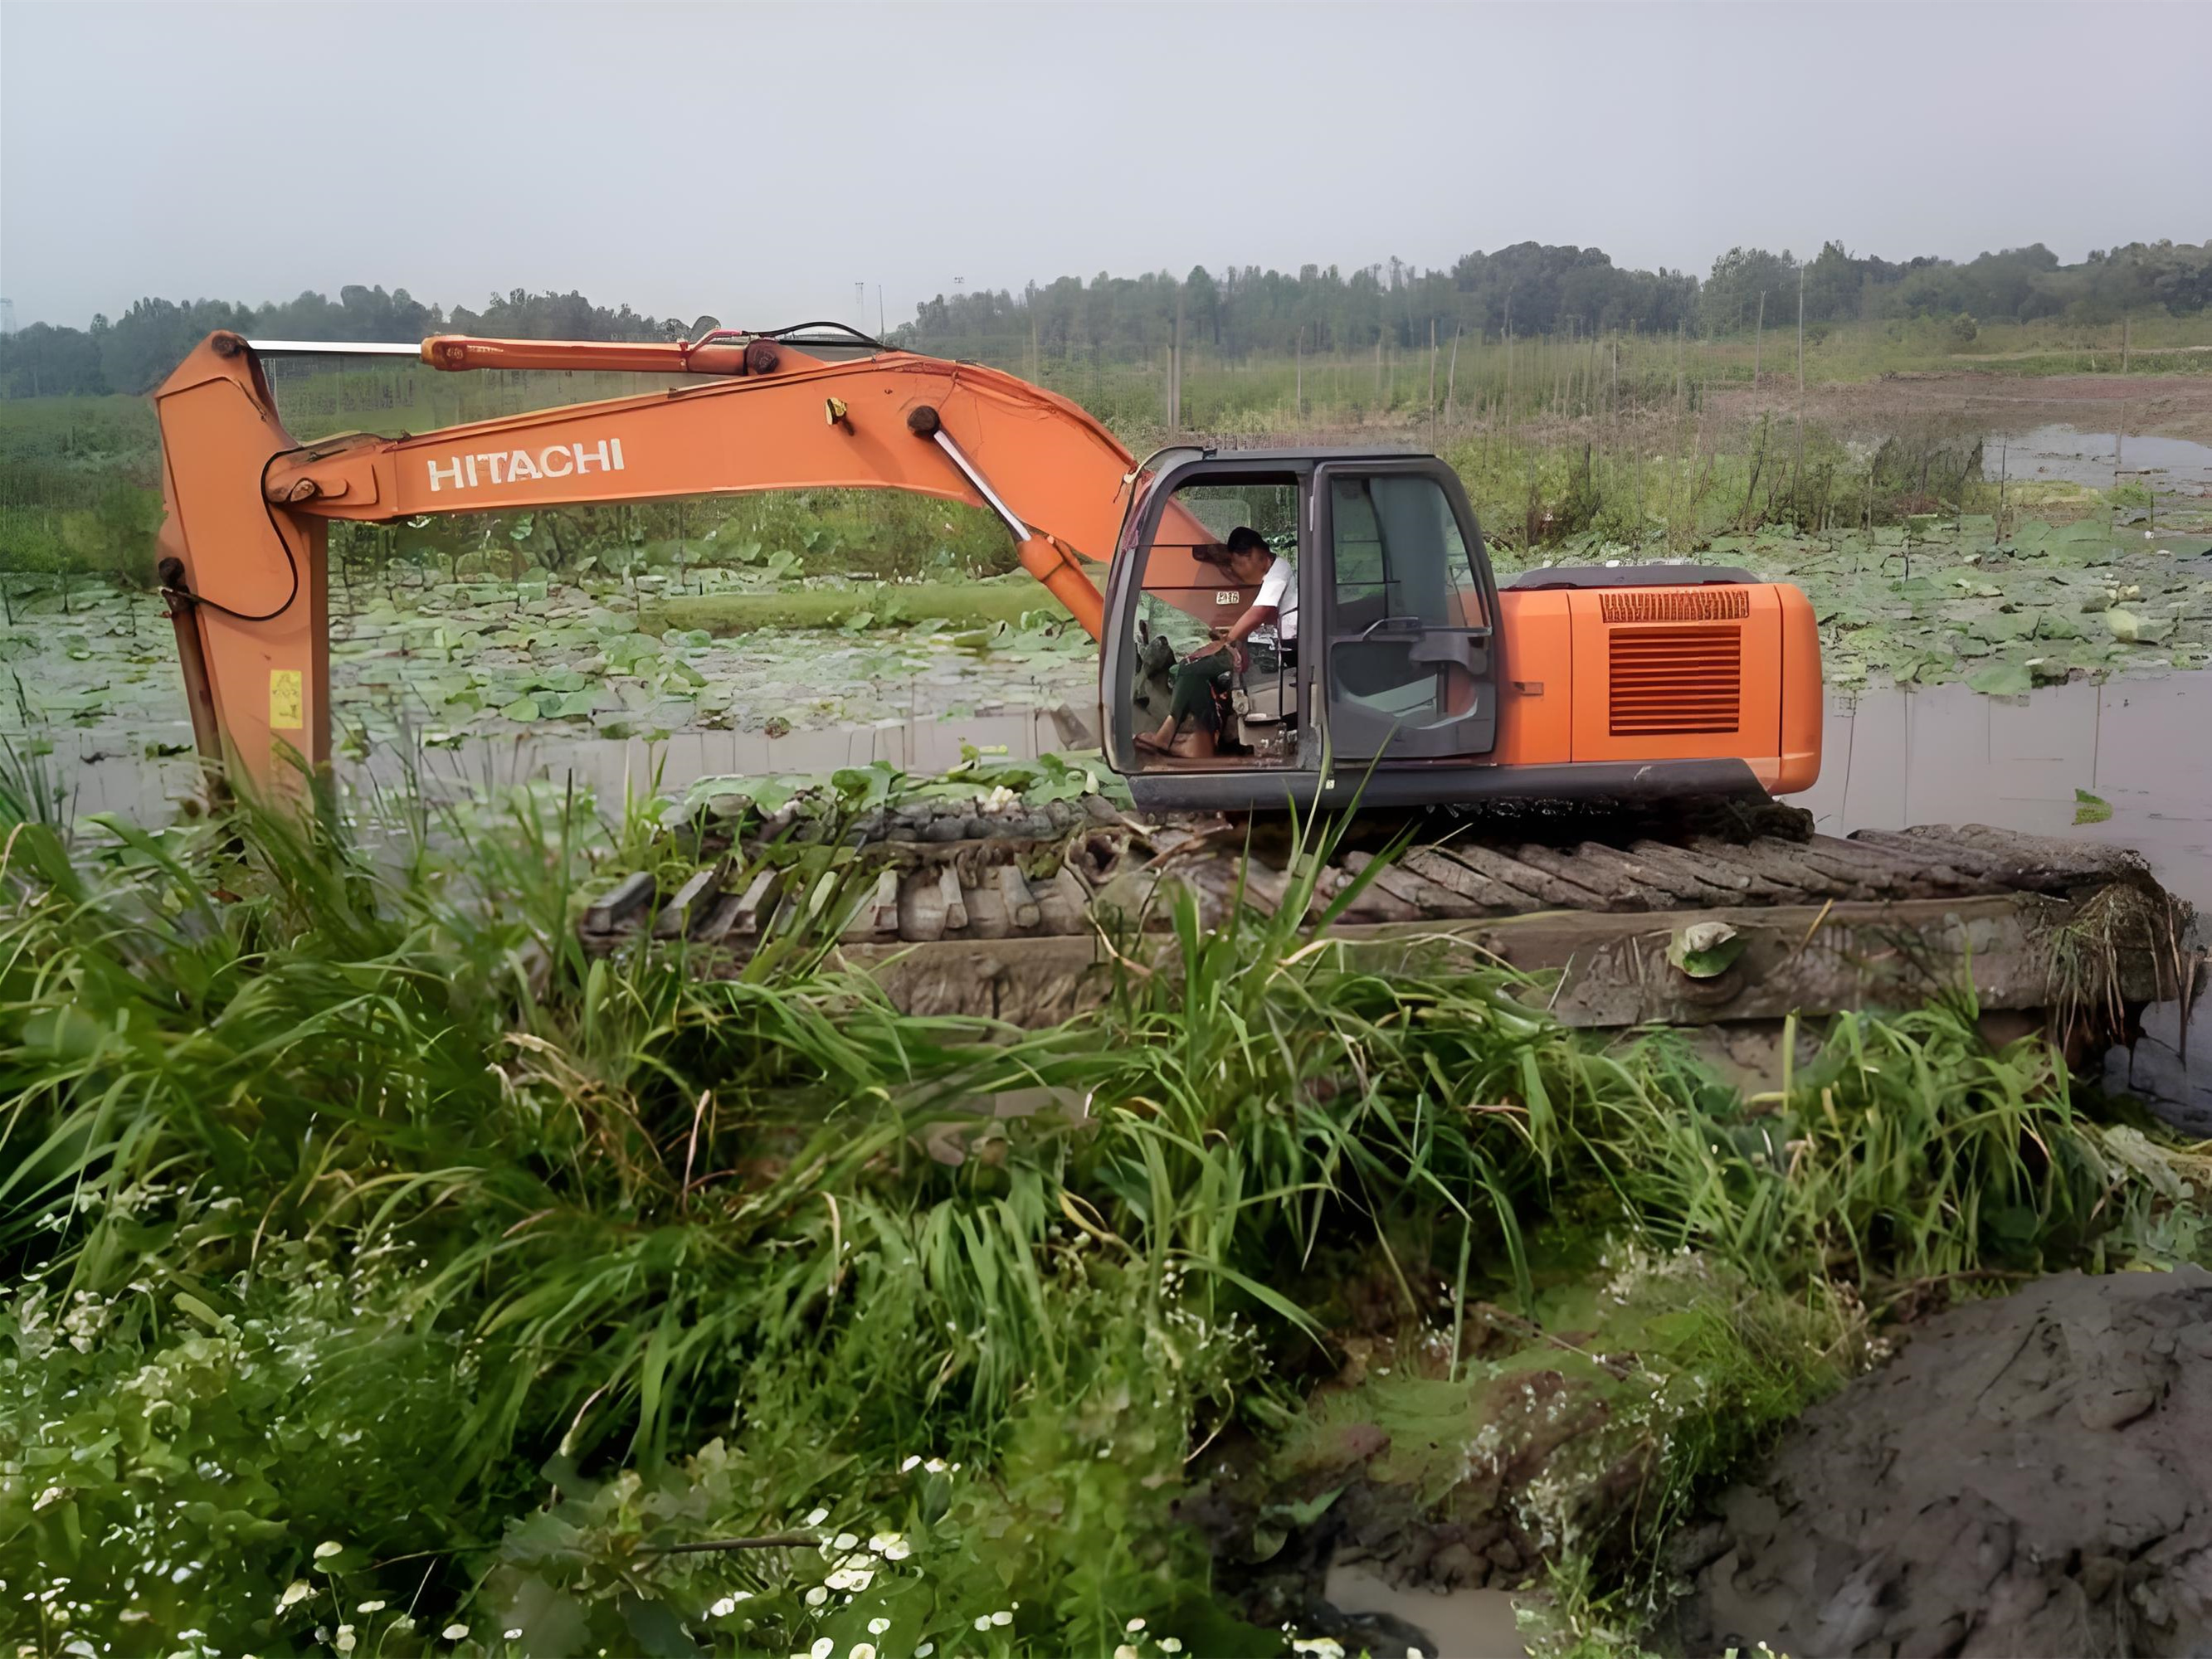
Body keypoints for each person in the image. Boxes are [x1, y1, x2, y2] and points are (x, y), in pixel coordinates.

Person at [1136, 526, 1297, 758]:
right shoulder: (1269, 574)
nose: (1236, 571)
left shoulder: (1278, 572)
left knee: (1190, 668)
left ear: (1254, 555)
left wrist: (1228, 641)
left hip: (1286, 653)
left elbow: (1259, 613)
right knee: (1195, 669)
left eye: (1238, 564)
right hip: (1273, 649)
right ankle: (1201, 741)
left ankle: (1168, 734)